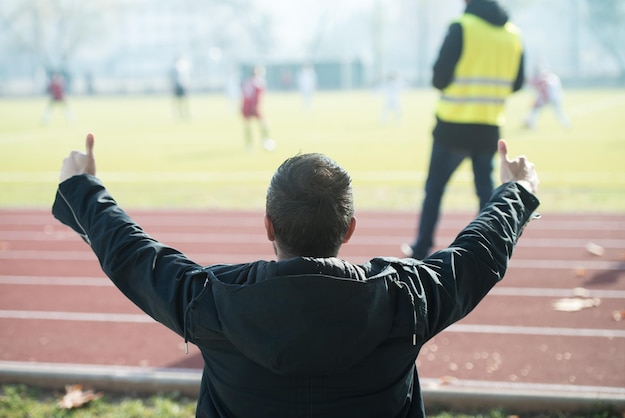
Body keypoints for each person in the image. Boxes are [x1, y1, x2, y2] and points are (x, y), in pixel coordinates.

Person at [53, 132, 539, 418]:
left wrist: (82, 186)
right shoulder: (405, 298)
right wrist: (516, 191)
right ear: (348, 230)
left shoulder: (214, 300)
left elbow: (132, 255)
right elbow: (479, 254)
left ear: (268, 225)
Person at [403, 0, 526, 259]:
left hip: (453, 126)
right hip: (489, 126)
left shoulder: (462, 26)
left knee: (435, 189)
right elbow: (516, 83)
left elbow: (439, 77)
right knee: (485, 191)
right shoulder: (512, 34)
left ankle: (423, 246)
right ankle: (491, 245)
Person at [241, 66, 274, 151]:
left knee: (248, 125)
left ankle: (249, 144)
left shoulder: (247, 81)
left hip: (246, 106)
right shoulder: (259, 82)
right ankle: (266, 140)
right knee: (263, 123)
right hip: (254, 106)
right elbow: (259, 96)